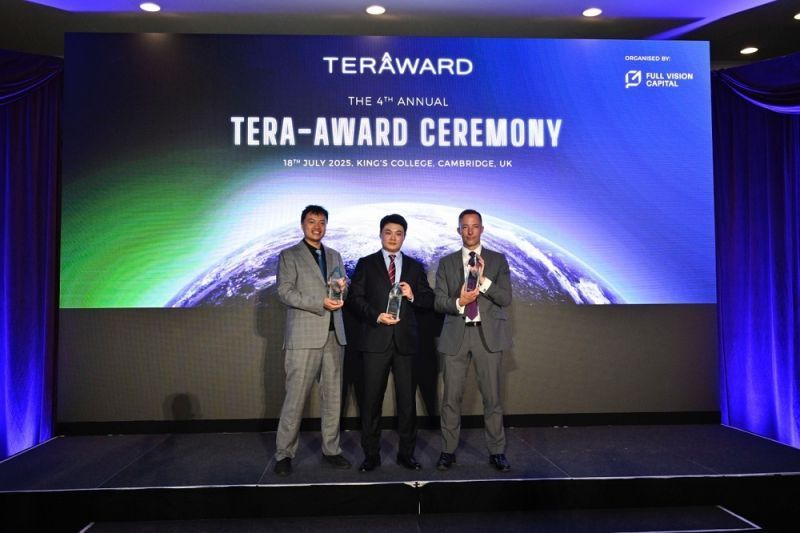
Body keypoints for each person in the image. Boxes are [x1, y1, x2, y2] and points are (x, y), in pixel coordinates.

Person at [348, 214, 434, 472]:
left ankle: (406, 454)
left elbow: (428, 299)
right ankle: (371, 455)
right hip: (375, 340)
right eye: (388, 232)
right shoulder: (366, 264)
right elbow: (355, 298)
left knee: (407, 404)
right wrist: (376, 315)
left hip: (406, 343)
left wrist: (413, 295)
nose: (393, 237)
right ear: (380, 234)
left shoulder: (415, 267)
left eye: (398, 233)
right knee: (371, 402)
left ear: (404, 236)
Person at [273, 205, 351, 476]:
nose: (317, 227)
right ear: (302, 224)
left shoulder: (335, 255)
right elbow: (285, 292)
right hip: (304, 336)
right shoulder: (289, 255)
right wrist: (320, 302)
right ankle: (284, 454)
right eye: (311, 221)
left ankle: (331, 450)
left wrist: (343, 289)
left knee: (333, 398)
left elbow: (341, 290)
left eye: (321, 222)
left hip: (334, 334)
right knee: (295, 399)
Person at [434, 209, 513, 472]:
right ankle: (447, 451)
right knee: (450, 398)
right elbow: (439, 302)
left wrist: (483, 279)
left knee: (493, 398)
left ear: (482, 229)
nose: (470, 231)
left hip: (487, 337)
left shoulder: (498, 260)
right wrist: (460, 301)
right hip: (456, 335)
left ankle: (497, 452)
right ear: (459, 230)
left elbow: (505, 298)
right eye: (465, 227)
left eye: (475, 226)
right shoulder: (446, 262)